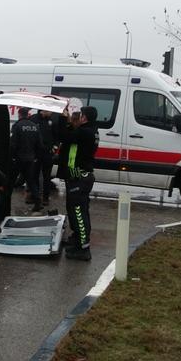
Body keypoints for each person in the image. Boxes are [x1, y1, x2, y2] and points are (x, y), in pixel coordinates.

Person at [58, 105, 99, 260]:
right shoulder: (91, 131)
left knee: (79, 213)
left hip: (80, 177)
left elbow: (63, 136)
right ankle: (77, 239)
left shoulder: (85, 132)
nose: (79, 117)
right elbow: (70, 136)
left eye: (80, 115)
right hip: (79, 176)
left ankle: (83, 248)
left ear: (84, 117)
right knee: (76, 210)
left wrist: (63, 118)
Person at [10, 107, 44, 212]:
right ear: (28, 114)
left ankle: (5, 203)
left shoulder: (17, 126)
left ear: (19, 114)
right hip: (30, 159)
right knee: (31, 181)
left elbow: (13, 144)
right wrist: (36, 157)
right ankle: (38, 202)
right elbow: (40, 145)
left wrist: (11, 157)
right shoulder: (35, 127)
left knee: (10, 181)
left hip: (18, 159)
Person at [34, 110, 58, 203]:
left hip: (48, 153)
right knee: (34, 175)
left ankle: (45, 198)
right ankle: (35, 196)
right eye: (49, 111)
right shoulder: (34, 119)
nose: (51, 112)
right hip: (36, 153)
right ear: (43, 110)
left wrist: (54, 149)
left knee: (47, 176)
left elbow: (57, 137)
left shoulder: (52, 121)